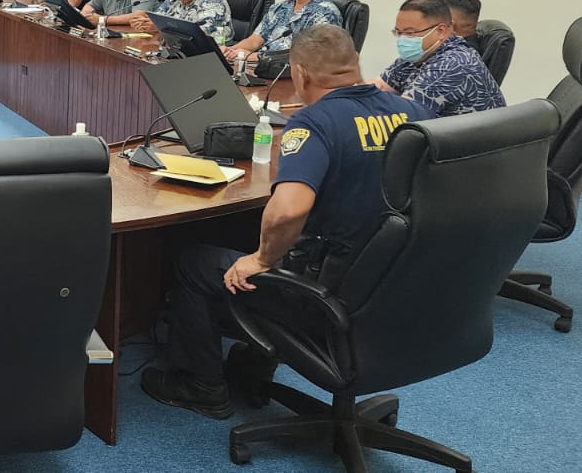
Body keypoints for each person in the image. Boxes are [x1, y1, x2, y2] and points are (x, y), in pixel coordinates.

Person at [142, 25, 432, 419]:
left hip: (326, 290)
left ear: (300, 74)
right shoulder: (412, 112)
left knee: (196, 262)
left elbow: (289, 211)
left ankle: (201, 384)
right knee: (245, 233)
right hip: (392, 278)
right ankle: (254, 360)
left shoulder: (315, 123)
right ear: (355, 64)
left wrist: (261, 259)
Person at [370, 0, 505, 117]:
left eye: (410, 33)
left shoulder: (452, 65)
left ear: (440, 31)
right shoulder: (420, 54)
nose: (403, 39)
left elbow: (397, 117)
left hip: (467, 142)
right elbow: (378, 87)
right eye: (398, 32)